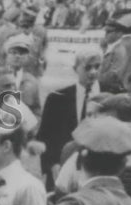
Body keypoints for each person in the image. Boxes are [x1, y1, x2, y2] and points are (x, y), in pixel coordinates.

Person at [37, 53, 102, 185]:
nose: (93, 72)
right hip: (61, 167)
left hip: (96, 169)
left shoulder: (108, 97)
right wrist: (52, 164)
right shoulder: (57, 98)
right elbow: (45, 136)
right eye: (87, 68)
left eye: (97, 67)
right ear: (75, 68)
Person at [98, 13, 131, 99]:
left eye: (108, 32)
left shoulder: (116, 46)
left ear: (120, 31)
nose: (105, 35)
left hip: (115, 89)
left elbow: (107, 72)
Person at [1, 35, 41, 115]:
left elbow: (36, 109)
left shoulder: (32, 81)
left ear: (27, 57)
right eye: (14, 52)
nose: (18, 56)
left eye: (22, 53)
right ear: (6, 55)